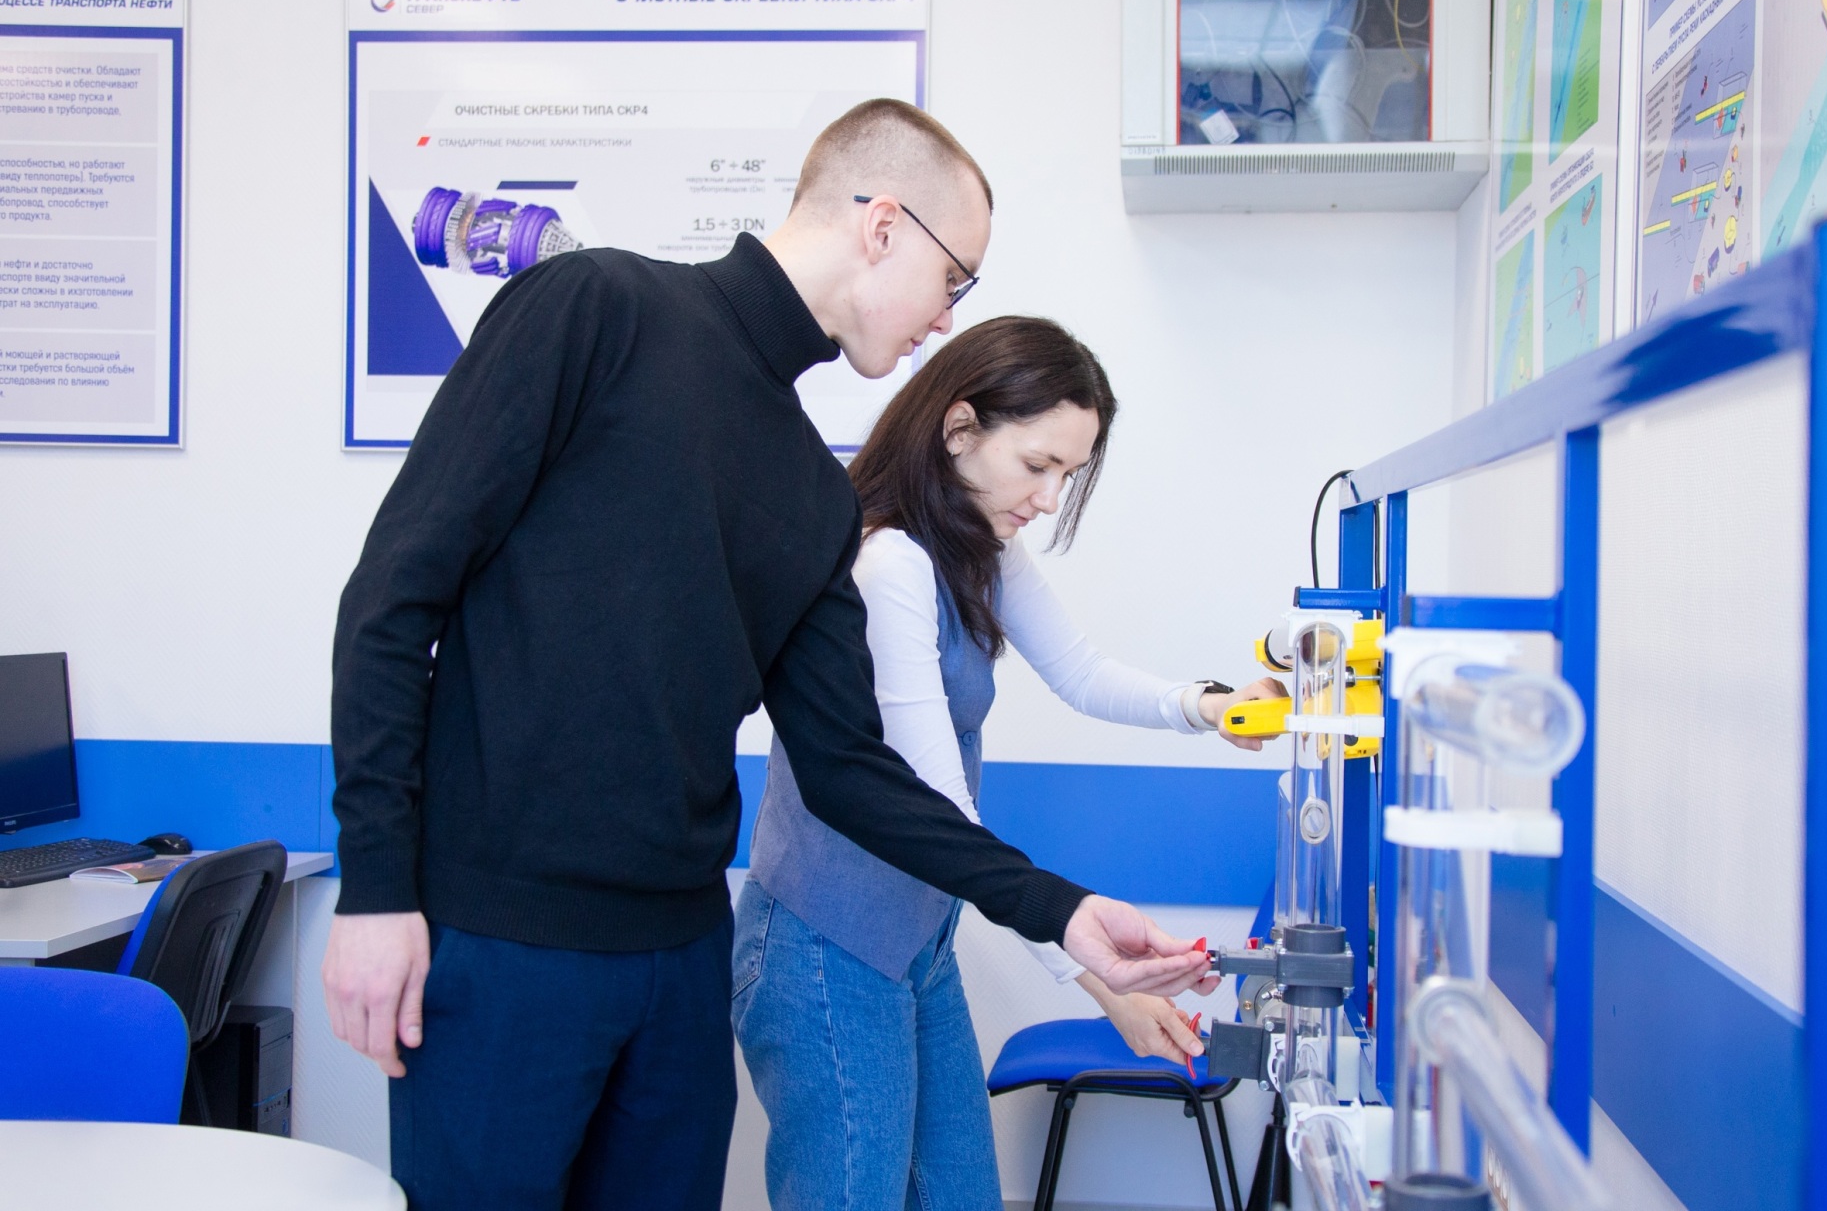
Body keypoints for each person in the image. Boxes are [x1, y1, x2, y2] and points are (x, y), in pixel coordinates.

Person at [322, 98, 1216, 1211]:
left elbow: (850, 770)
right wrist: (374, 887)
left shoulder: (812, 491)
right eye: (953, 279)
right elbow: (392, 597)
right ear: (882, 225)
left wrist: (1063, 911)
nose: (947, 319)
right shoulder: (595, 309)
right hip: (503, 942)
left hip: (679, 961)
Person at [733, 316, 1279, 1210]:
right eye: (1038, 465)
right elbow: (943, 810)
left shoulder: (981, 548)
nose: (1050, 498)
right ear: (959, 429)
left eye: (1068, 474)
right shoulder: (889, 563)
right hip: (824, 949)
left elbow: (1082, 674)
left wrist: (1209, 705)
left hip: (919, 944)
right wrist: (1103, 984)